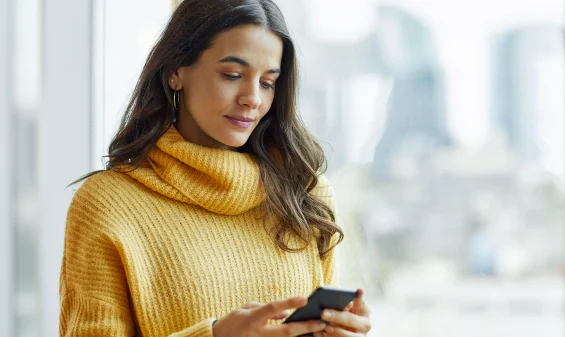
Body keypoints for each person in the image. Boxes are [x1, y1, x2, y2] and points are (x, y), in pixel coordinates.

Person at [59, 0, 372, 336]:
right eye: (233, 75)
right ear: (175, 71)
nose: (253, 97)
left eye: (267, 82)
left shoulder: (304, 193)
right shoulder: (108, 204)